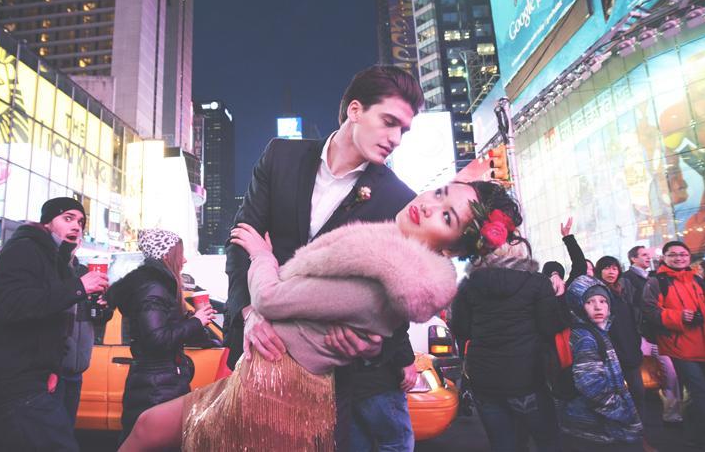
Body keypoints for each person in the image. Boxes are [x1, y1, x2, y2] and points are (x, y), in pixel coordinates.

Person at [118, 180, 517, 452]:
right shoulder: (389, 265)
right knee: (148, 427)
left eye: (447, 217)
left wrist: (261, 255)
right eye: (440, 193)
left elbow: (271, 298)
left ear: (452, 249)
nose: (428, 205)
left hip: (274, 394)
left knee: (148, 428)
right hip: (270, 383)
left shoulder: (383, 273)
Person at [223, 65, 424, 449]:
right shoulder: (280, 156)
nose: (396, 139)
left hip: (335, 375)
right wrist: (249, 315)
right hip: (262, 360)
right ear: (355, 110)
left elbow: (392, 299)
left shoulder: (398, 200)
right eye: (389, 122)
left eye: (404, 130)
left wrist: (376, 347)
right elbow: (241, 241)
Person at [0, 197, 109, 451]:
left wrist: (52, 369)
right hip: (11, 382)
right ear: (47, 223)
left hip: (39, 378)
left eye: (81, 222)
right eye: (68, 218)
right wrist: (78, 287)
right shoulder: (24, 249)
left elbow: (53, 324)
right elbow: (13, 305)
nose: (76, 226)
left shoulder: (57, 262)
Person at [452, 184, 567, 452]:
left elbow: (461, 329)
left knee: (503, 444)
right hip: (527, 378)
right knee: (547, 441)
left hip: (485, 381)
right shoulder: (537, 283)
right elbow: (551, 326)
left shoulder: (468, 285)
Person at [107, 229, 215, 444]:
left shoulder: (158, 286)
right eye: (180, 254)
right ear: (166, 255)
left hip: (160, 380)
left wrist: (195, 321)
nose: (184, 260)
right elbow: (156, 339)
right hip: (156, 384)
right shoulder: (153, 288)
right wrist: (196, 321)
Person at [559, 276, 643, 451]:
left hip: (595, 422)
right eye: (589, 302)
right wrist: (621, 410)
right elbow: (591, 385)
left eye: (603, 301)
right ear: (578, 306)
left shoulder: (596, 331)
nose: (598, 307)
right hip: (597, 424)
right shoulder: (586, 338)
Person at [642, 241, 705, 448]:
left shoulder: (696, 279)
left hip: (702, 344)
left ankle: (693, 435)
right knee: (700, 392)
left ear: (689, 257)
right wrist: (679, 316)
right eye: (673, 255)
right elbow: (649, 310)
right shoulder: (656, 282)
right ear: (664, 258)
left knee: (697, 394)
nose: (679, 258)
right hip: (680, 348)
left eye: (683, 254)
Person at [54, 248, 114, 426]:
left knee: (67, 427)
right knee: (50, 431)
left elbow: (97, 318)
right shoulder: (52, 271)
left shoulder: (85, 272)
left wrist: (104, 306)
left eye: (77, 237)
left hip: (77, 367)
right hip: (53, 368)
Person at [625, 245, 682, 424]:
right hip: (642, 335)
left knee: (670, 373)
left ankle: (671, 412)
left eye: (649, 255)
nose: (648, 258)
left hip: (658, 333)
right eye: (644, 255)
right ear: (633, 259)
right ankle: (644, 418)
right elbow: (632, 306)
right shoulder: (628, 278)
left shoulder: (654, 277)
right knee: (647, 374)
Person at [593, 256, 644, 425]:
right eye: (607, 268)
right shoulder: (596, 294)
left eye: (614, 268)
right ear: (599, 271)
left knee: (638, 391)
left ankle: (638, 427)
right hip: (610, 352)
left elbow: (629, 322)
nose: (611, 272)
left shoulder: (621, 291)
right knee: (616, 395)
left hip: (629, 349)